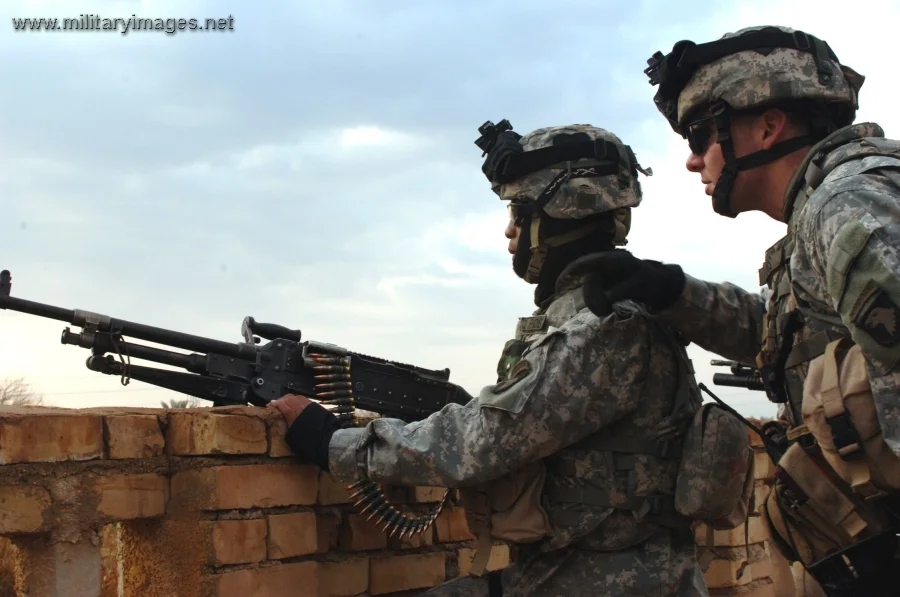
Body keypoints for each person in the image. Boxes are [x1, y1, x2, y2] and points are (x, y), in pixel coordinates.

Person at [268, 123, 714, 596]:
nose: (509, 230)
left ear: (559, 219)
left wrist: (331, 441)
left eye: (519, 213)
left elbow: (482, 442)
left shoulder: (603, 329)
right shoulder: (607, 316)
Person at [566, 25, 900, 596]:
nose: (694, 162)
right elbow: (801, 332)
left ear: (768, 126)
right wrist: (670, 291)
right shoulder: (829, 210)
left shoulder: (849, 207)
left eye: (701, 136)